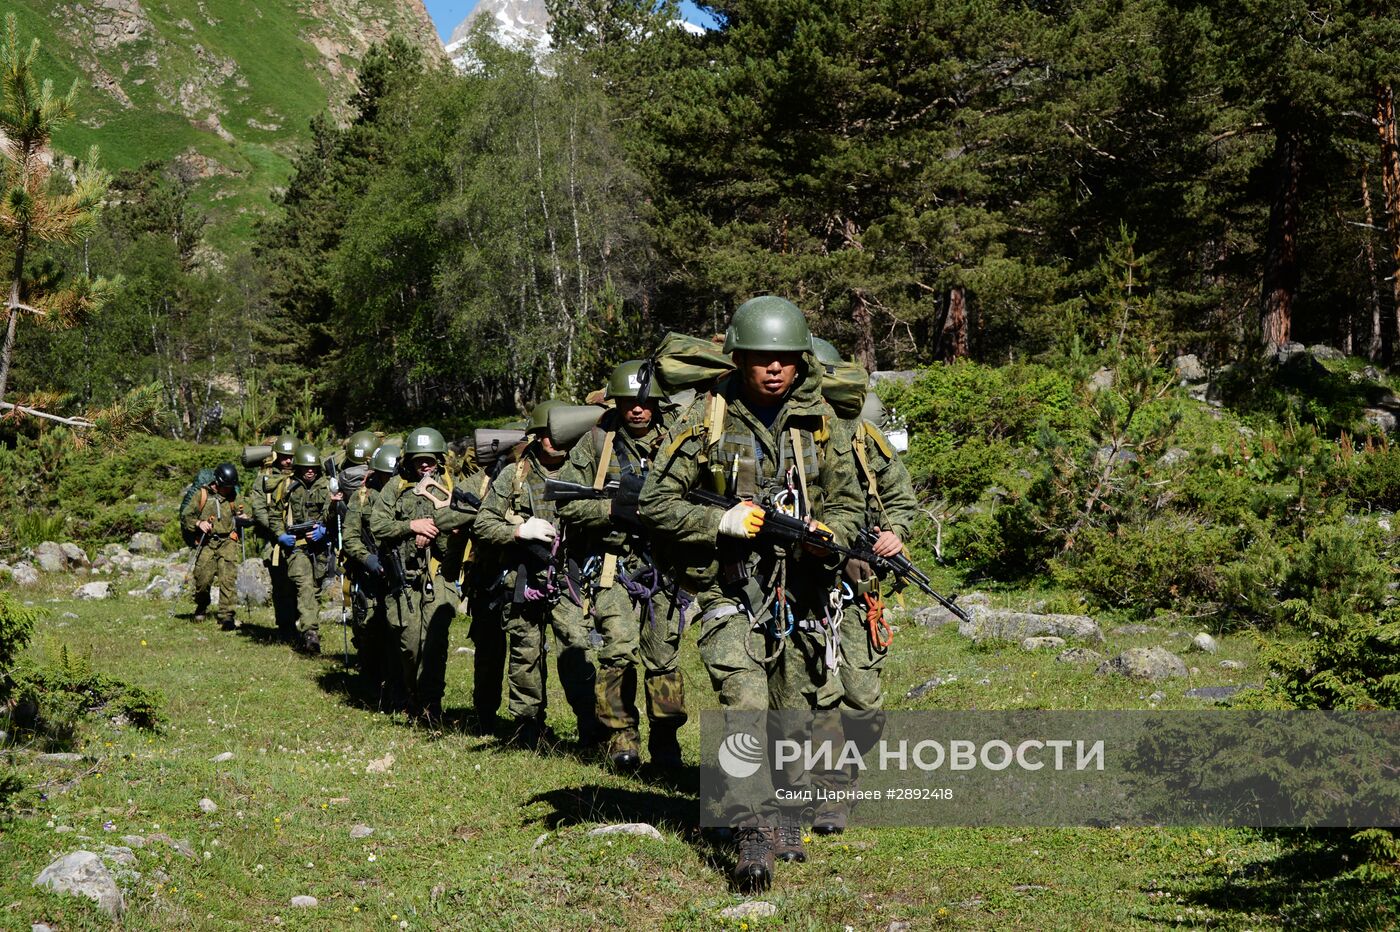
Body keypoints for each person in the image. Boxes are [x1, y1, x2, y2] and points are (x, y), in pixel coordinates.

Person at [639, 295, 864, 890]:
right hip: (725, 588)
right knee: (745, 699)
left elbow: (848, 502)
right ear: (739, 358)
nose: (774, 369)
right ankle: (752, 828)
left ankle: (789, 813)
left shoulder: (822, 422)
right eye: (762, 358)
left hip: (801, 591)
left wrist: (828, 536)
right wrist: (720, 522)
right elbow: (655, 504)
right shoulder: (705, 421)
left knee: (794, 709)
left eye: (786, 359)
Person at [803, 338, 921, 835]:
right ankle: (831, 792)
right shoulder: (777, 437)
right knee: (818, 695)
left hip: (856, 585)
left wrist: (896, 532)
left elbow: (900, 497)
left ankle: (841, 768)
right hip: (797, 583)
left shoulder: (863, 437)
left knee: (864, 702)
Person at [557, 360, 688, 770]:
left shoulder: (678, 438)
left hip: (665, 566)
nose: (637, 410)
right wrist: (612, 508)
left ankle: (666, 742)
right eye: (629, 402)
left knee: (663, 657)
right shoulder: (596, 441)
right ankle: (621, 737)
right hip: (613, 565)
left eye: (645, 401)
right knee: (618, 649)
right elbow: (564, 501)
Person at [473, 400, 600, 750]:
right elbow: (483, 523)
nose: (555, 442)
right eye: (547, 435)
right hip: (524, 579)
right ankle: (527, 727)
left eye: (561, 435)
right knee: (525, 653)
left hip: (570, 579)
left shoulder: (587, 470)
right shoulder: (514, 474)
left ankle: (590, 728)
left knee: (576, 649)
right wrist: (518, 532)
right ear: (536, 436)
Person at [369, 428, 475, 724]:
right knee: (410, 645)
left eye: (429, 460)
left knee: (436, 641)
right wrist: (411, 526)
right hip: (405, 577)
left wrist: (443, 528)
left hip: (440, 574)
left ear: (439, 460)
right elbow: (378, 525)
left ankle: (432, 705)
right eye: (419, 461)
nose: (424, 466)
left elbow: (471, 517)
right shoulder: (396, 487)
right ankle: (412, 695)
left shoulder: (453, 485)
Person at [272, 444, 341, 655]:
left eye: (313, 467)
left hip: (320, 548)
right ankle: (310, 634)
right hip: (296, 547)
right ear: (299, 468)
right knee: (305, 586)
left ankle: (301, 625)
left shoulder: (327, 487)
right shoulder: (287, 486)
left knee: (315, 589)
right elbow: (274, 514)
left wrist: (324, 529)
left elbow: (335, 516)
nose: (309, 471)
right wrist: (280, 535)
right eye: (305, 467)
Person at [342, 442, 398, 702]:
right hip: (369, 574)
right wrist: (368, 559)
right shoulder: (361, 497)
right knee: (367, 629)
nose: (389, 480)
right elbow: (350, 536)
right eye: (385, 475)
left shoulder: (404, 493)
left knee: (397, 630)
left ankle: (397, 686)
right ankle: (370, 685)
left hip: (397, 570)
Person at [249, 433, 300, 640]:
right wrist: (278, 532)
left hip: (301, 539)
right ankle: (286, 627)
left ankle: (303, 624)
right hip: (275, 543)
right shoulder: (264, 478)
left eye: (292, 456)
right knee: (282, 586)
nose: (288, 460)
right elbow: (259, 509)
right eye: (284, 456)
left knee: (303, 584)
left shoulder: (304, 475)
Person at [181, 462, 243, 630]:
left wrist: (244, 518)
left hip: (228, 541)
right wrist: (198, 523)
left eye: (231, 487)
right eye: (225, 487)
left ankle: (226, 616)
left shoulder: (234, 496)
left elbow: (244, 511)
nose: (228, 490)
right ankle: (202, 605)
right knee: (202, 579)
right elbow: (186, 516)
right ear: (217, 482)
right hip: (207, 542)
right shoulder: (201, 495)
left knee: (227, 579)